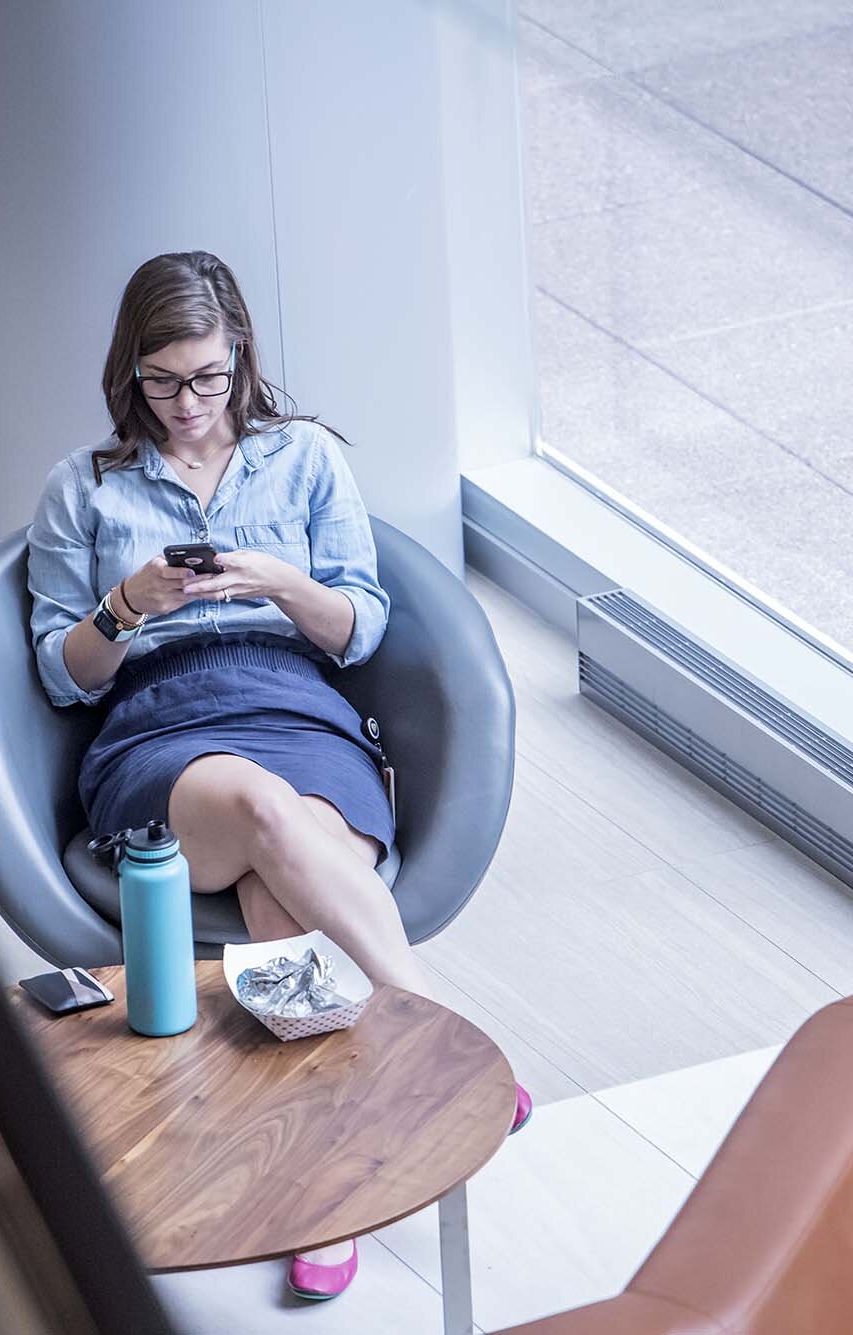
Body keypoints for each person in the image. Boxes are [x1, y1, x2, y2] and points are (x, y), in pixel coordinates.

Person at [26, 250, 529, 1302]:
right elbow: (61, 677)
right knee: (258, 812)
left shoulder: (302, 460)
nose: (188, 405)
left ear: (240, 358)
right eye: (162, 382)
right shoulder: (82, 488)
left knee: (276, 906)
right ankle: (449, 1047)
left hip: (299, 704)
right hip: (159, 728)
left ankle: (328, 1190)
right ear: (130, 373)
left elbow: (358, 629)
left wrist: (277, 581)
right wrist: (127, 607)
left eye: (207, 377)